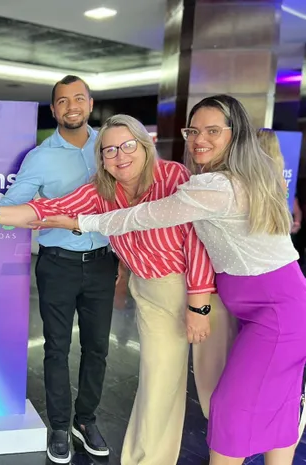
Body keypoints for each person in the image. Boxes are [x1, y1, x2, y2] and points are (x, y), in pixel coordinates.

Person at [0, 114, 236, 464]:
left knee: (217, 390)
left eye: (128, 145)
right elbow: (50, 208)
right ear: (102, 158)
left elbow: (196, 241)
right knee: (158, 386)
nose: (120, 156)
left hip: (202, 290)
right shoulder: (101, 191)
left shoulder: (173, 177)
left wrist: (198, 305)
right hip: (152, 291)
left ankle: (230, 456)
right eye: (110, 150)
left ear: (145, 145)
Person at [59, 95, 306, 465]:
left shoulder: (217, 186)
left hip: (276, 312)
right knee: (279, 406)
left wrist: (80, 222)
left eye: (212, 131)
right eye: (193, 131)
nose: (199, 139)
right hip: (268, 306)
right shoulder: (227, 178)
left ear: (235, 133)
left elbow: (142, 216)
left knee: (230, 407)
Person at [0, 75, 116, 462]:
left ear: (90, 104)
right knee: (56, 348)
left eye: (79, 98)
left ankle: (85, 420)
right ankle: (59, 425)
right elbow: (14, 204)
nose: (71, 106)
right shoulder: (40, 157)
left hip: (103, 263)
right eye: (63, 101)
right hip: (58, 264)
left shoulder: (109, 148)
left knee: (97, 348)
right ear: (54, 109)